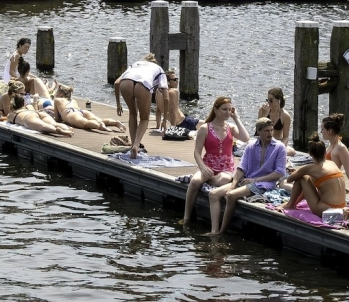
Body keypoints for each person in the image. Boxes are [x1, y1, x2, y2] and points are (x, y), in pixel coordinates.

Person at [209, 117, 289, 235]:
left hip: (264, 183)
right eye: (266, 131)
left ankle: (221, 232)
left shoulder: (279, 147)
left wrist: (255, 180)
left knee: (230, 196)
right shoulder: (251, 146)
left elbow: (279, 172)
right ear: (259, 131)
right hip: (247, 180)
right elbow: (242, 168)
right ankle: (214, 229)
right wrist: (234, 184)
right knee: (213, 194)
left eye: (271, 130)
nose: (270, 133)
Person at [182, 96, 251, 227]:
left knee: (225, 180)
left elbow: (246, 138)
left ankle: (209, 180)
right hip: (208, 165)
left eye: (230, 110)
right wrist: (202, 168)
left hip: (226, 167)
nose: (227, 112)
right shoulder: (205, 128)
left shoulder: (230, 127)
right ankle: (186, 217)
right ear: (216, 110)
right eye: (224, 109)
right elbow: (197, 152)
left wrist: (236, 118)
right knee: (195, 181)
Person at [115, 54, 169, 158]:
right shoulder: (159, 69)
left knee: (132, 113)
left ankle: (133, 146)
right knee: (144, 119)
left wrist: (118, 105)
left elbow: (117, 83)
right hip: (143, 84)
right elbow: (166, 98)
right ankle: (136, 145)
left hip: (126, 82)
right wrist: (165, 120)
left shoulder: (135, 64)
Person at [284, 138, 348, 214]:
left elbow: (289, 179)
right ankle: (294, 203)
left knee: (302, 178)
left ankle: (290, 204)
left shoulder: (310, 168)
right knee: (308, 179)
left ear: (310, 154)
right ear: (325, 152)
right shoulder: (332, 163)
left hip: (326, 210)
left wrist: (299, 171)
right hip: (342, 207)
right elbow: (310, 183)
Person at [321, 113, 349, 204]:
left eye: (322, 129)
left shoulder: (341, 148)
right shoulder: (329, 146)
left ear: (329, 131)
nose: (321, 132)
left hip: (332, 185)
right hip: (324, 183)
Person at [51, 84, 126, 136]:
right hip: (81, 111)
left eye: (57, 92)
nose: (56, 93)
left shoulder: (57, 100)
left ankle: (99, 126)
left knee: (85, 123)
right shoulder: (73, 100)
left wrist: (59, 117)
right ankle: (116, 123)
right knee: (99, 119)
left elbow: (57, 119)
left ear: (61, 93)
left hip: (70, 114)